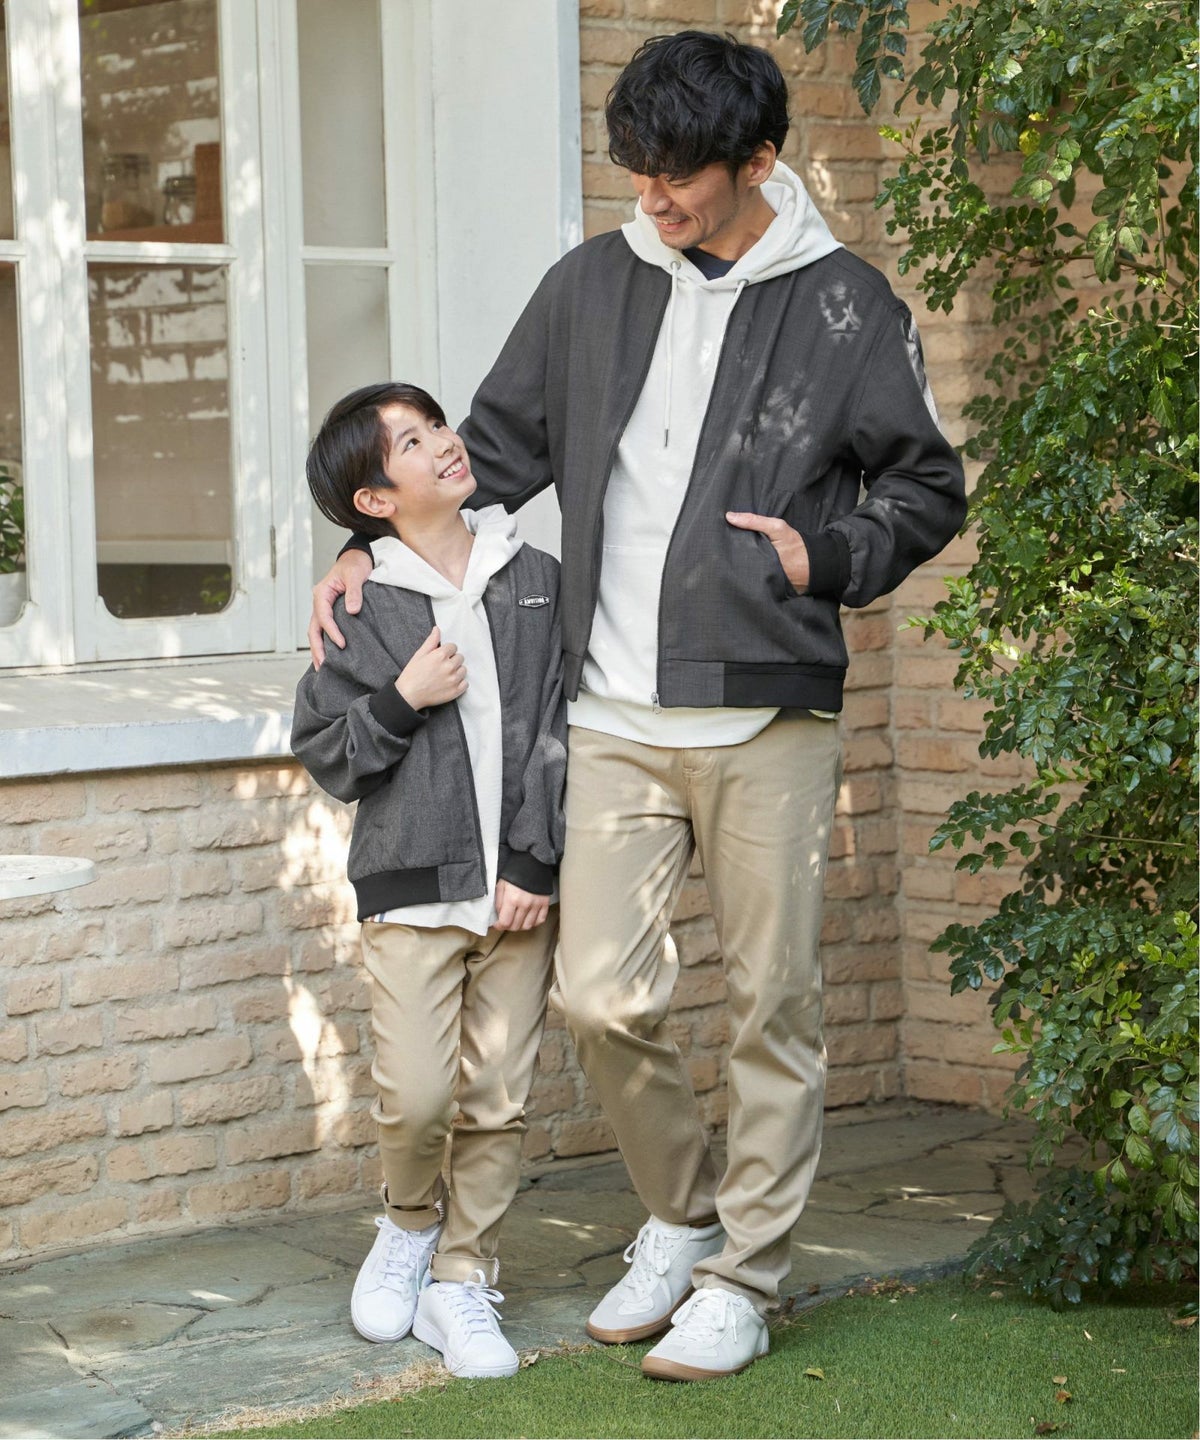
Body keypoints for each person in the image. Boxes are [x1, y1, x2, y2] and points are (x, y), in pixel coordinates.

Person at [309, 33, 967, 1381]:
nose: (651, 201)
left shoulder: (846, 304)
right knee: (602, 999)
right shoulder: (592, 285)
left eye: (677, 179)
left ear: (757, 163)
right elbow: (488, 455)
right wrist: (363, 548)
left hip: (766, 710)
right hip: (609, 712)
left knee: (772, 1005)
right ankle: (683, 1213)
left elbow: (924, 485)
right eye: (637, 173)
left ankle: (745, 1276)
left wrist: (824, 556)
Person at [291, 382, 566, 1380]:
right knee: (414, 1099)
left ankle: (462, 1275)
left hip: (518, 893)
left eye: (436, 425)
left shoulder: (536, 577)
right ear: (375, 499)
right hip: (413, 888)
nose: (444, 443)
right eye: (410, 442)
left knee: (496, 1100)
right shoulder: (362, 602)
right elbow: (326, 751)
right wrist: (402, 700)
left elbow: (561, 724)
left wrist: (535, 860)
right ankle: (410, 1223)